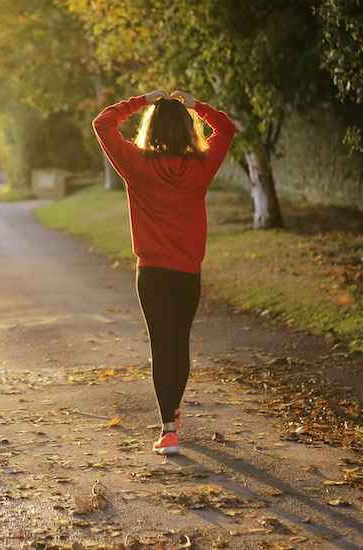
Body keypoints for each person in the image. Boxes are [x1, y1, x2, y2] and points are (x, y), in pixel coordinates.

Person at [93, 89, 235, 455]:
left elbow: (103, 123)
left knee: (162, 346)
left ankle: (169, 429)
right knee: (179, 344)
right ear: (188, 130)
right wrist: (197, 106)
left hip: (152, 273)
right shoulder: (201, 165)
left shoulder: (137, 164)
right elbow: (227, 128)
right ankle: (172, 414)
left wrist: (142, 100)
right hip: (187, 273)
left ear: (151, 128)